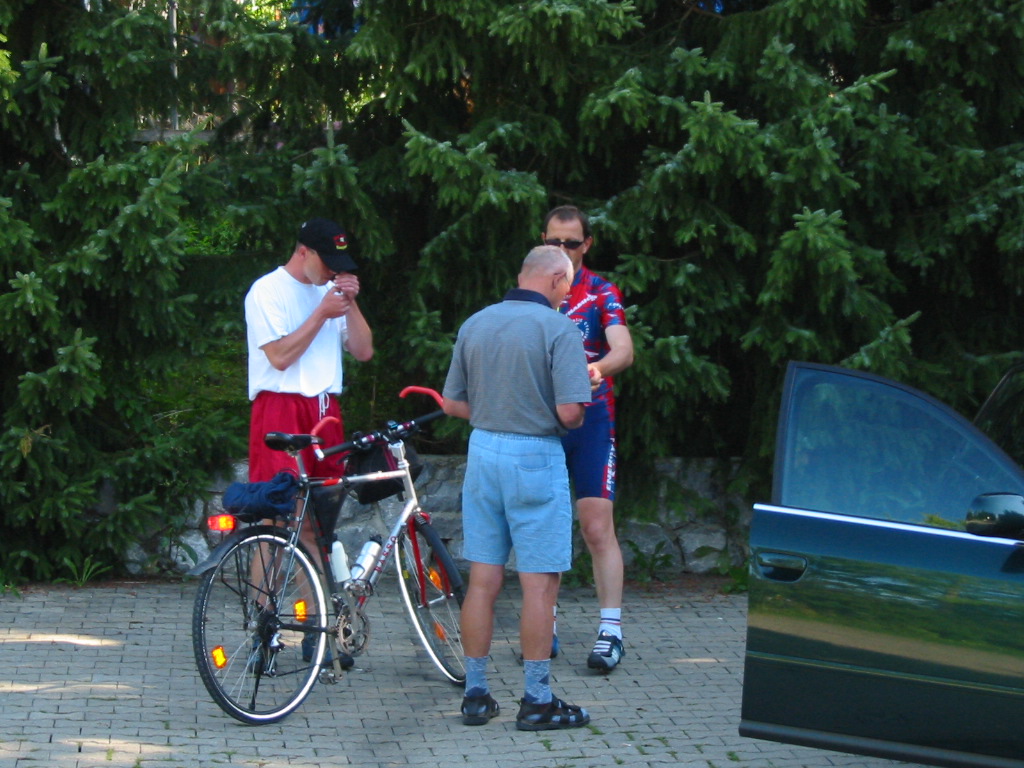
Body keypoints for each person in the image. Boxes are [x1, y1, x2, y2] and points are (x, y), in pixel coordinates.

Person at [442, 245, 594, 730]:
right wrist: (568, 404)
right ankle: (537, 700)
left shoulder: (476, 323)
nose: (567, 293)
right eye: (567, 284)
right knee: (539, 584)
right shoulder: (559, 329)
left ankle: (476, 695)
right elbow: (570, 413)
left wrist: (497, 412)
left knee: (483, 580)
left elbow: (452, 403)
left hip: (483, 452)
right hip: (535, 457)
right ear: (555, 279)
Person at [244, 217, 373, 667]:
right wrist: (321, 314)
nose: (333, 271)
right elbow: (279, 357)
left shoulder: (330, 293)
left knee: (319, 525)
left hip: (324, 409)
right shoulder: (267, 291)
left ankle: (317, 631)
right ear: (304, 252)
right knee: (276, 521)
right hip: (281, 406)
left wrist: (349, 304)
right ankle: (264, 629)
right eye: (327, 261)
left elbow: (364, 350)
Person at [541, 205, 634, 672]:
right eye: (553, 242)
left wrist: (593, 370)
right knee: (545, 525)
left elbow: (624, 350)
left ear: (587, 245)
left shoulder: (601, 291)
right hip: (544, 422)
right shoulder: (533, 292)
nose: (563, 251)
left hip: (592, 421)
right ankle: (544, 625)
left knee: (596, 527)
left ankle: (610, 632)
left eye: (572, 243)